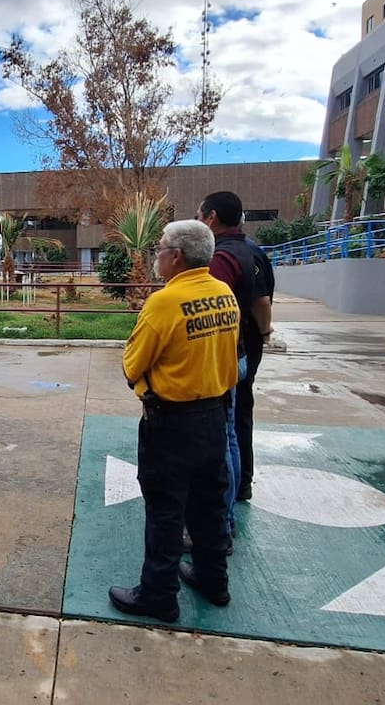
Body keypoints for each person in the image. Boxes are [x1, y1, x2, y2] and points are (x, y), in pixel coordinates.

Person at [108, 219, 240, 623]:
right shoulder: (224, 294)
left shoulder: (165, 302)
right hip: (214, 416)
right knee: (209, 508)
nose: (156, 256)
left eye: (160, 249)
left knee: (165, 511)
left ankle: (159, 594)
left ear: (176, 257)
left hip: (171, 423)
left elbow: (133, 363)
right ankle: (213, 580)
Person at [197, 192, 273, 504]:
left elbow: (259, 302)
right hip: (248, 346)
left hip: (230, 347)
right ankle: (242, 484)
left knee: (224, 426)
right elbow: (263, 301)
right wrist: (265, 333)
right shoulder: (253, 250)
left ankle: (226, 503)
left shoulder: (221, 258)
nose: (199, 222)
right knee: (239, 416)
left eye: (200, 216)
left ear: (211, 217)